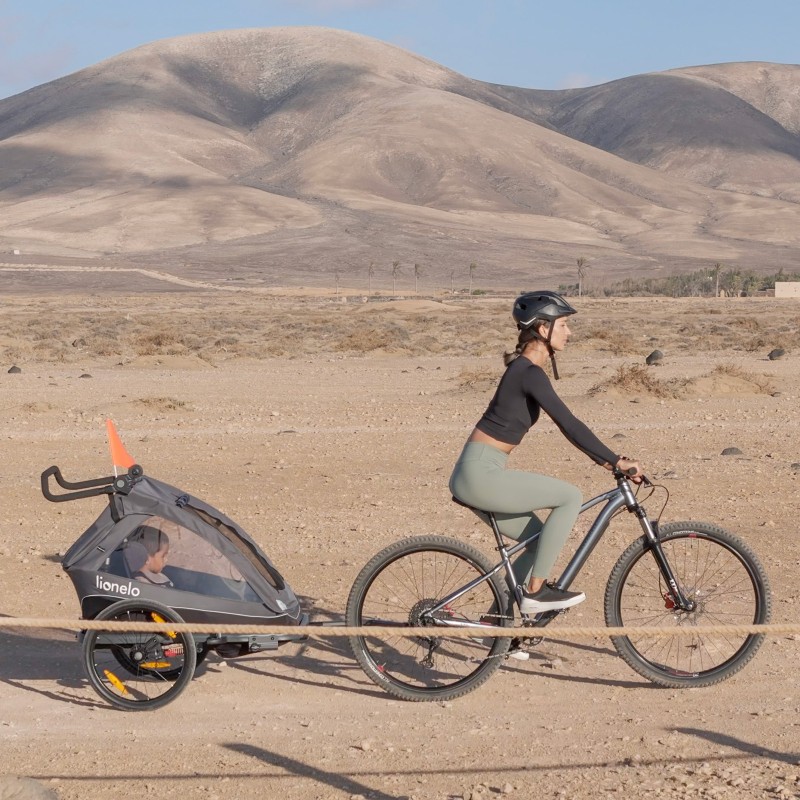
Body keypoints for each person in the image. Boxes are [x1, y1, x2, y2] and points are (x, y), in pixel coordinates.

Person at [449, 290, 643, 617]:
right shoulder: (528, 372)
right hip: (481, 473)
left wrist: (609, 459)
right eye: (563, 325)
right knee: (569, 497)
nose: (570, 332)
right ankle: (537, 592)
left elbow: (569, 424)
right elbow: (569, 423)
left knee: (539, 541)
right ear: (543, 329)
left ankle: (497, 625)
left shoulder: (526, 371)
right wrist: (615, 460)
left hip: (478, 470)